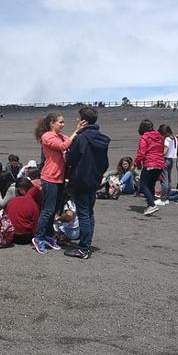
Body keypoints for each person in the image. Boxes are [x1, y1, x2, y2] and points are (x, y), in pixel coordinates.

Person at [32, 113, 82, 254]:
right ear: (51, 123)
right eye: (60, 122)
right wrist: (76, 131)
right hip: (49, 177)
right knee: (47, 210)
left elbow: (72, 141)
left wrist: (80, 130)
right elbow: (63, 146)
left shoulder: (60, 136)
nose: (63, 124)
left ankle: (48, 235)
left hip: (59, 178)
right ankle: (39, 237)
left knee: (54, 210)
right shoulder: (47, 136)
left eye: (63, 122)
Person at [64, 106, 110, 259]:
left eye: (78, 118)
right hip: (94, 180)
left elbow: (71, 159)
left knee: (83, 213)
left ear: (83, 120)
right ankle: (86, 243)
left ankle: (83, 248)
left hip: (81, 180)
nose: (77, 120)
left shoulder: (81, 138)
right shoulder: (101, 139)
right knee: (89, 212)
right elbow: (105, 163)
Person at [133, 119, 165, 216]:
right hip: (160, 164)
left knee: (143, 185)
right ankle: (150, 204)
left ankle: (152, 204)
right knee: (151, 185)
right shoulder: (160, 137)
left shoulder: (144, 137)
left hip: (150, 163)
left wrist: (136, 163)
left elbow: (141, 152)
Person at [5, 178, 40, 245]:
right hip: (26, 237)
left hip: (12, 235)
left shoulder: (12, 201)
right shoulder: (33, 204)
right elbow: (35, 224)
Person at [158, 124, 177, 204]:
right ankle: (167, 197)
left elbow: (165, 151)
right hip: (171, 159)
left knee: (164, 180)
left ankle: (163, 199)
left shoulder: (167, 140)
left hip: (165, 159)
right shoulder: (174, 138)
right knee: (168, 179)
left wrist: (158, 155)